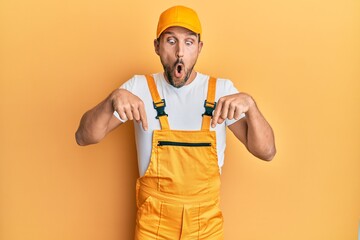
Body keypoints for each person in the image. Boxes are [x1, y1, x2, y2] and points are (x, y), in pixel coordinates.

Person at [75, 5, 276, 240]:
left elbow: (267, 152)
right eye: (171, 41)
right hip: (154, 227)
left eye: (189, 42)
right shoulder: (138, 88)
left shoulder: (221, 91)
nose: (180, 52)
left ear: (199, 48)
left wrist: (251, 107)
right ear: (157, 46)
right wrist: (112, 100)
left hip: (206, 228)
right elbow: (84, 137)